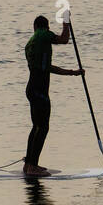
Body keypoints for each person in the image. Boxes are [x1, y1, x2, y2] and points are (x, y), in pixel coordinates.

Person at [23, 12, 84, 176]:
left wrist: (72, 73)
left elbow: (48, 68)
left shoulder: (31, 43)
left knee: (36, 126)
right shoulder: (43, 34)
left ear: (34, 27)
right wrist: (66, 22)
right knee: (43, 127)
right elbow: (64, 39)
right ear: (45, 27)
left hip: (32, 89)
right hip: (40, 91)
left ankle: (29, 164)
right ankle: (32, 167)